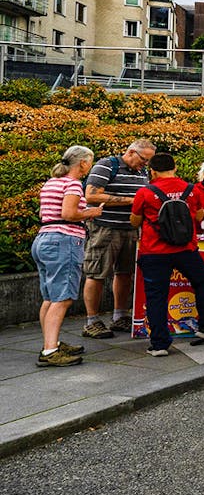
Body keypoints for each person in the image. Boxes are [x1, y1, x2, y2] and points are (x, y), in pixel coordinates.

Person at [130, 153, 204, 356]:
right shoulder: (191, 190)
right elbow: (199, 216)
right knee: (202, 281)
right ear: (174, 168)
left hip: (154, 251)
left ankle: (159, 345)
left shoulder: (145, 192)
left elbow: (135, 221)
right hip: (186, 250)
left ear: (153, 171)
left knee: (156, 295)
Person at [33, 146, 103, 367]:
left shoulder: (51, 182)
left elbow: (45, 214)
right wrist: (91, 212)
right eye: (89, 162)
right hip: (64, 241)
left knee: (50, 297)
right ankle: (50, 351)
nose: (90, 166)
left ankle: (49, 343)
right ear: (82, 163)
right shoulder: (72, 184)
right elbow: (69, 214)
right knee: (63, 298)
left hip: (44, 239)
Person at [81, 138, 155, 339]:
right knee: (96, 273)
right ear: (131, 152)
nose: (145, 164)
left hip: (131, 229)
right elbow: (91, 196)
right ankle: (92, 321)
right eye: (143, 160)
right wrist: (133, 201)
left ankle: (120, 316)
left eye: (148, 161)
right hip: (105, 228)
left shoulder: (142, 171)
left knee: (125, 273)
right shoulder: (106, 165)